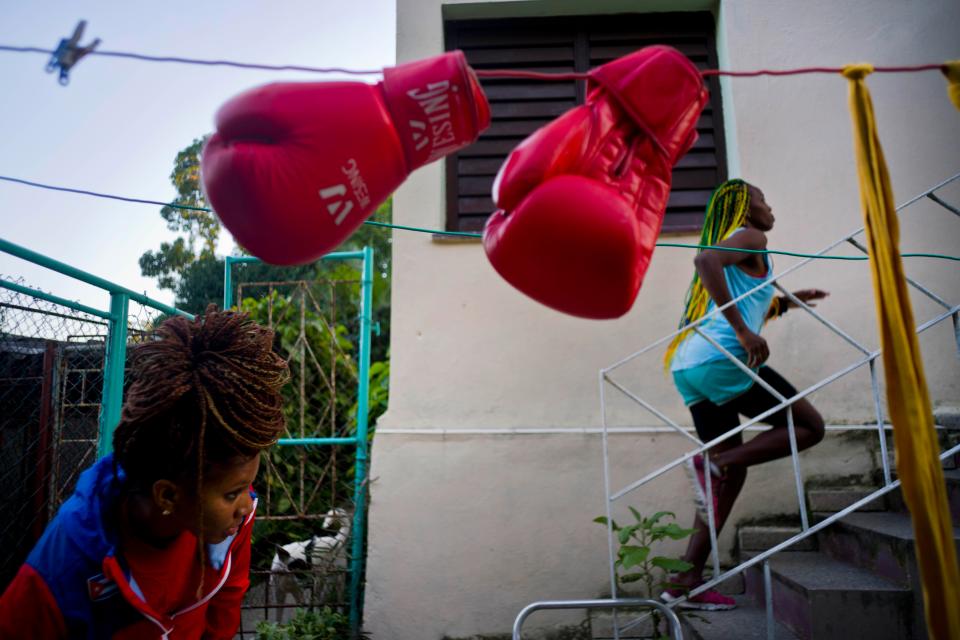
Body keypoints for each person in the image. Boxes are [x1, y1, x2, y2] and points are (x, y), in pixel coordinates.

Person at [0, 307, 289, 638]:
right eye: (232, 493)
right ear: (167, 495)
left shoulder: (229, 526)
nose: (247, 505)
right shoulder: (67, 562)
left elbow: (226, 603)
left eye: (245, 488)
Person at [659, 179, 828, 610]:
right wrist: (742, 331)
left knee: (731, 477)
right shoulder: (752, 236)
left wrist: (787, 303)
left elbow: (744, 299)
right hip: (723, 360)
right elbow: (705, 260)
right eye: (761, 200)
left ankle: (685, 582)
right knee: (809, 426)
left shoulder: (747, 248)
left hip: (691, 365)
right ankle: (713, 463)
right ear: (743, 208)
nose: (769, 207)